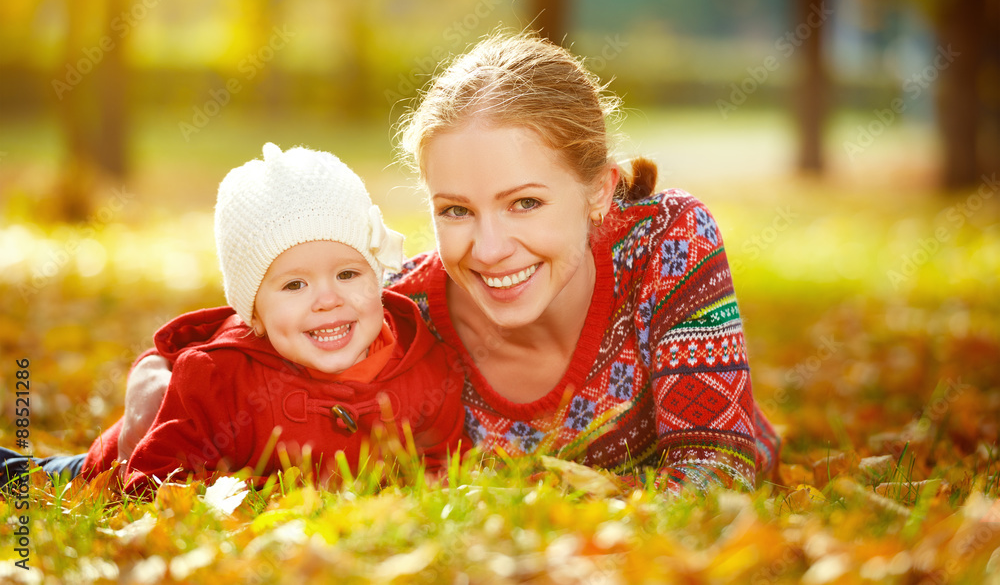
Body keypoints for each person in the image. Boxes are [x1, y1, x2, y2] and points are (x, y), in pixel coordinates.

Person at [10, 30, 781, 493]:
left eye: (525, 203)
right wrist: (159, 367)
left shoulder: (667, 243)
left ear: (598, 192)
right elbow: (262, 330)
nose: (488, 248)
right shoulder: (409, 312)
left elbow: (715, 471)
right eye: (456, 211)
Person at [2, 143, 465, 492]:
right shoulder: (220, 380)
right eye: (294, 285)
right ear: (255, 312)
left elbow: (443, 461)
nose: (327, 299)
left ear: (378, 276)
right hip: (118, 458)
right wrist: (254, 493)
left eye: (347, 273)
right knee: (43, 476)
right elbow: (154, 480)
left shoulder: (422, 364)